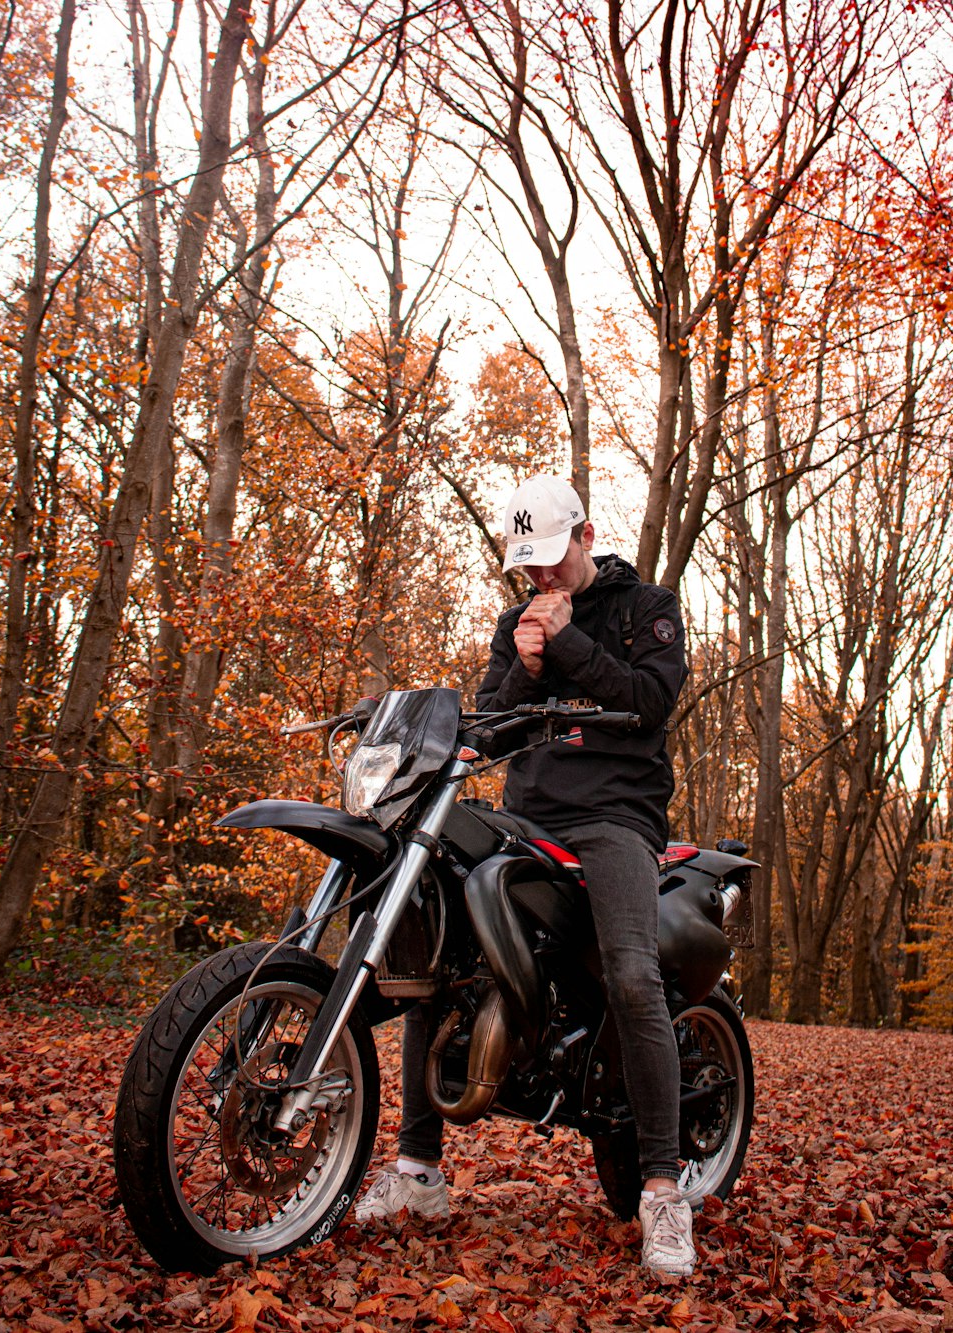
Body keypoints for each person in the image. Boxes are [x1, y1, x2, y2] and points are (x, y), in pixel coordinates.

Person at [355, 474, 694, 1279]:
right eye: (527, 567)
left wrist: (572, 645)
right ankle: (418, 1170)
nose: (539, 579)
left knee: (633, 979)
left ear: (583, 537)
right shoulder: (517, 623)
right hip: (528, 812)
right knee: (426, 954)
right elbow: (490, 724)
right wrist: (529, 663)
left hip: (615, 818)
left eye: (549, 560)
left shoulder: (648, 607)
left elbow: (652, 700)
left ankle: (662, 1188)